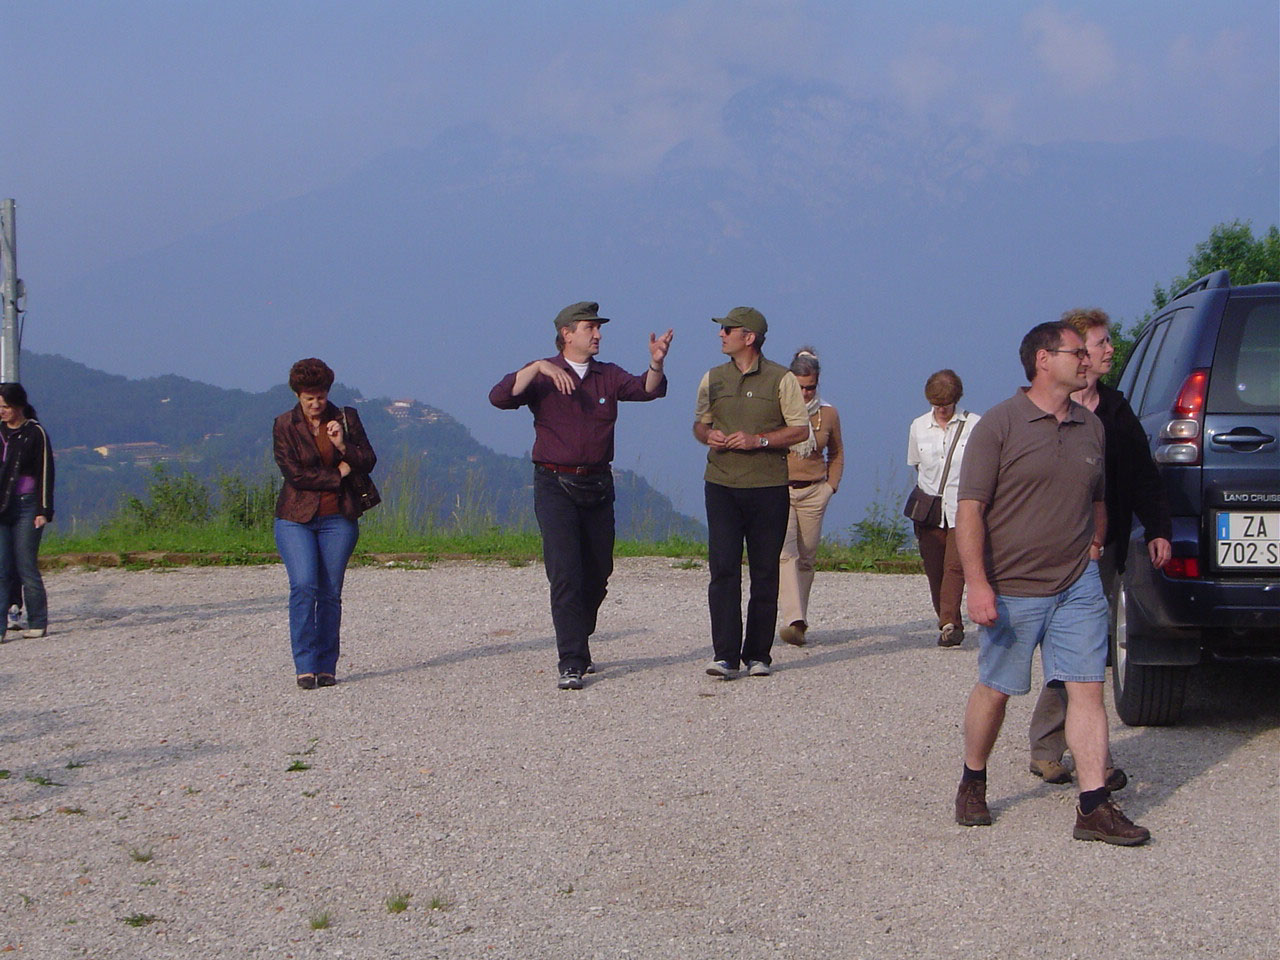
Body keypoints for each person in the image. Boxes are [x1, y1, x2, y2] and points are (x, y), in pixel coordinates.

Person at [953, 321, 1150, 845]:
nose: (1087, 360)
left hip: (1078, 585)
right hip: (1013, 585)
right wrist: (978, 584)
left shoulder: (1092, 426)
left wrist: (1096, 541)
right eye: (1076, 352)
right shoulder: (999, 425)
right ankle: (973, 779)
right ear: (1043, 359)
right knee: (997, 690)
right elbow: (970, 511)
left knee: (1087, 688)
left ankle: (1094, 805)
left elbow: (1097, 496)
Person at [489, 302, 673, 691]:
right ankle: (571, 660)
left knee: (598, 571)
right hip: (554, 484)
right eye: (590, 328)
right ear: (567, 333)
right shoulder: (542, 375)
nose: (598, 334)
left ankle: (578, 631)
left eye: (598, 328)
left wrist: (656, 362)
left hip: (598, 484)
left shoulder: (608, 375)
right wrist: (538, 367)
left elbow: (647, 390)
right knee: (565, 573)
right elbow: (500, 397)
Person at [1026, 308, 1172, 787]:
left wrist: (1158, 528)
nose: (1111, 349)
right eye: (1101, 342)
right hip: (1047, 545)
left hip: (1102, 547)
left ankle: (1082, 757)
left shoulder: (1116, 409)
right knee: (1058, 651)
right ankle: (1048, 746)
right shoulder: (1041, 408)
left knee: (1087, 650)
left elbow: (1143, 475)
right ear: (1076, 351)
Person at [694, 307, 809, 678]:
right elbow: (699, 424)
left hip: (767, 487)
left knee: (764, 572)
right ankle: (725, 655)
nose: (721, 334)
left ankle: (758, 654)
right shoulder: (712, 378)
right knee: (723, 570)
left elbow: (800, 430)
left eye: (728, 329)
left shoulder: (782, 379)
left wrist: (758, 440)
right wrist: (707, 435)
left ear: (749, 337)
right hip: (721, 485)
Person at [273, 358, 378, 689]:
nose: (316, 404)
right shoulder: (284, 425)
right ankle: (305, 665)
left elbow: (368, 461)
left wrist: (342, 445)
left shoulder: (346, 418)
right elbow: (295, 474)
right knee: (304, 586)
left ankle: (326, 665)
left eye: (320, 396)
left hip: (339, 518)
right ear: (298, 396)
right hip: (295, 518)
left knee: (330, 592)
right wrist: (338, 474)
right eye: (309, 398)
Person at [906, 370, 979, 647]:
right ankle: (951, 623)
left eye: (945, 405)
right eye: (936, 405)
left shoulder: (975, 425)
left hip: (963, 507)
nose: (941, 410)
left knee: (955, 566)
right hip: (930, 509)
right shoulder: (918, 426)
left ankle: (947, 622)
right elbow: (916, 465)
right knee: (934, 569)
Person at [777, 347, 844, 647]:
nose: (805, 393)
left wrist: (831, 486)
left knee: (806, 557)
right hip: (781, 489)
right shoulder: (777, 410)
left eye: (810, 388)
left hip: (815, 491)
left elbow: (837, 452)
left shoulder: (828, 413)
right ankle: (793, 618)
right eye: (800, 387)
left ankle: (799, 620)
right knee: (785, 553)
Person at [0, 383, 54, 641]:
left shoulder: (35, 432)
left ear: (18, 406)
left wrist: (44, 510)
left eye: (6, 407)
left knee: (25, 564)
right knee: (1, 567)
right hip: (2, 506)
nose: (2, 412)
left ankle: (38, 621)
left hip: (27, 504)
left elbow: (45, 472)